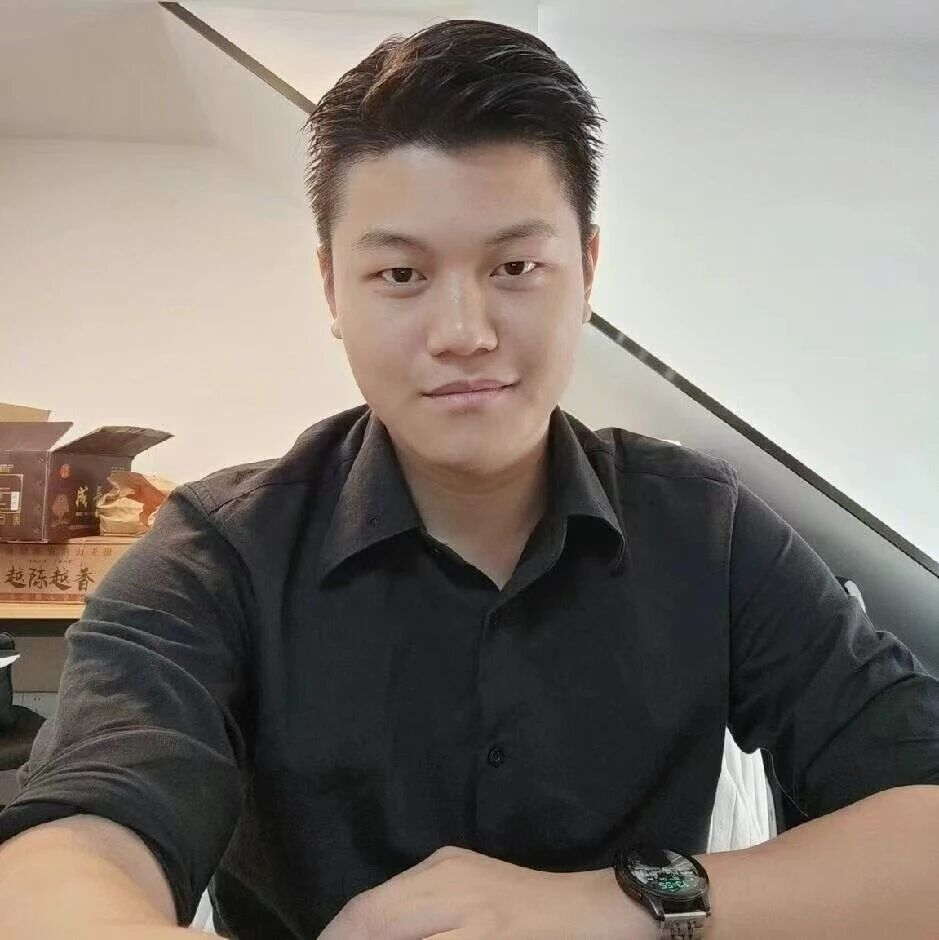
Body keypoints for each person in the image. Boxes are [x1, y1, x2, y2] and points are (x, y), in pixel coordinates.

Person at [1, 18, 938, 940]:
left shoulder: (708, 530)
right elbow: (67, 856)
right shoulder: (219, 553)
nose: (463, 332)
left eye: (516, 266)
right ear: (332, 289)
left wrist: (617, 905)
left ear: (587, 269)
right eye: (401, 274)